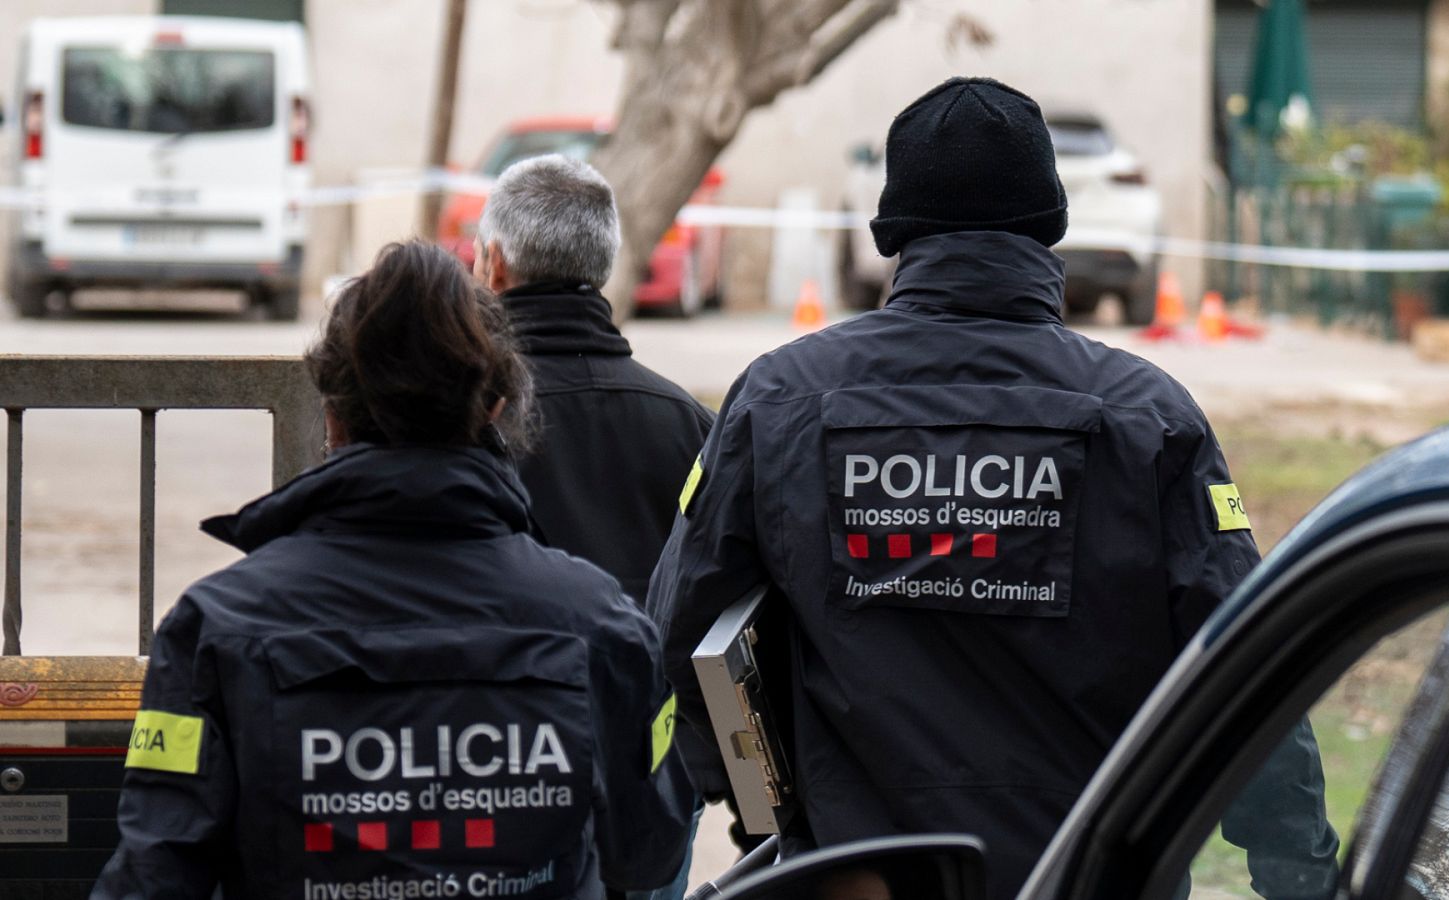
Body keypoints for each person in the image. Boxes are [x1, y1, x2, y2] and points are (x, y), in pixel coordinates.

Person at [647, 78, 1338, 899]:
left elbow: (679, 631)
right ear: (1050, 224)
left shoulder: (779, 400)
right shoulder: (1149, 420)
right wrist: (1300, 872)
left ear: (895, 230)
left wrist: (761, 804)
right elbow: (1248, 666)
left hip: (855, 878)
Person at [93, 241, 694, 899]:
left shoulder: (217, 625)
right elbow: (650, 854)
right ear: (495, 408)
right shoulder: (598, 619)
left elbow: (153, 877)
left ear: (334, 414)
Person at [473, 154, 714, 605]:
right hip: (654, 674)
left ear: (495, 263)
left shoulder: (461, 420)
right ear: (602, 265)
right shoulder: (692, 424)